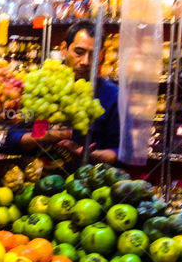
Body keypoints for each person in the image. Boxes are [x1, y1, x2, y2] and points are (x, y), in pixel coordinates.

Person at [10, 22, 120, 163]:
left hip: (84, 182)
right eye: (79, 52)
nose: (85, 61)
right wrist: (44, 136)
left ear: (101, 55)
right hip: (35, 178)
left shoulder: (111, 96)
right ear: (63, 49)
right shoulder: (40, 86)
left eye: (93, 54)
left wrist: (88, 154)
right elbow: (12, 138)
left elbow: (120, 153)